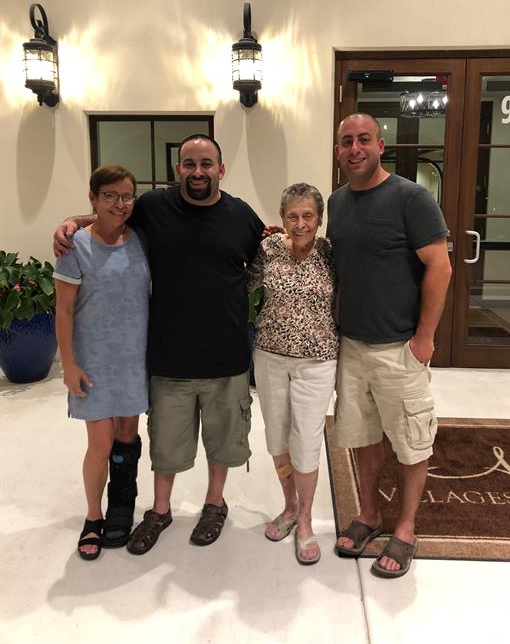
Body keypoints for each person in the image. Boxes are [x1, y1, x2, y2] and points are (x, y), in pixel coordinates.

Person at [54, 135, 264, 554]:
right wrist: (72, 222)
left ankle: (214, 504)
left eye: (207, 164)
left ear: (221, 170)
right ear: (178, 169)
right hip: (168, 358)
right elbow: (113, 213)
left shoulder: (242, 216)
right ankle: (160, 510)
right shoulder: (154, 207)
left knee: (223, 442)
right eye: (190, 163)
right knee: (165, 447)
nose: (198, 171)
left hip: (226, 357)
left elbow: (269, 256)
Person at [328, 113, 452, 578]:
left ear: (381, 145)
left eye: (364, 139)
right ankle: (369, 514)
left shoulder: (411, 198)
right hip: (352, 346)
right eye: (346, 141)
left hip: (399, 347)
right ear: (338, 151)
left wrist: (425, 337)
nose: (354, 148)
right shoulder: (337, 202)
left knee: (411, 443)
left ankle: (405, 527)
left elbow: (440, 267)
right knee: (363, 438)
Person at [54, 165, 150, 560]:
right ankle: (93, 516)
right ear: (93, 197)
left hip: (134, 358)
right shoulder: (75, 246)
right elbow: (63, 311)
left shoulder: (142, 238)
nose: (119, 203)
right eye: (110, 195)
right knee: (100, 443)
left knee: (127, 434)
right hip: (92, 360)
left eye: (126, 196)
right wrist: (69, 365)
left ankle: (121, 508)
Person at [247, 183, 338, 565]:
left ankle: (305, 521)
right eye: (293, 216)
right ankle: (289, 506)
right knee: (277, 437)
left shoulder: (330, 253)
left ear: (319, 219)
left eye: (308, 216)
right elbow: (241, 281)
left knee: (306, 441)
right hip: (270, 357)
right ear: (282, 218)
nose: (300, 224)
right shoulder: (268, 248)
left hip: (317, 361)